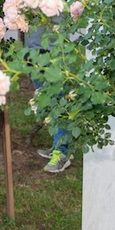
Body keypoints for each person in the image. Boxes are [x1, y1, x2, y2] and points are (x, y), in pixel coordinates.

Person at [26, 26, 73, 173]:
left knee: (61, 104)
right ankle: (56, 145)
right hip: (33, 51)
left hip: (55, 52)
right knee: (47, 103)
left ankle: (62, 154)